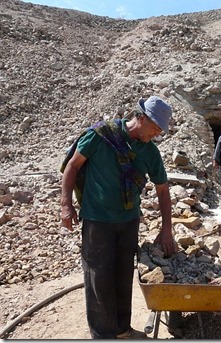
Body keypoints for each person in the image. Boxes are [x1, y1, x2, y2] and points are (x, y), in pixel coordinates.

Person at [60, 95, 178, 339]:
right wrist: (66, 205)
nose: (156, 134)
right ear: (142, 118)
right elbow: (72, 166)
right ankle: (103, 335)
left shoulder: (150, 152)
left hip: (128, 220)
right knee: (98, 277)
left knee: (123, 274)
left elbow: (163, 189)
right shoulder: (101, 135)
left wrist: (167, 228)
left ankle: (122, 330)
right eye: (155, 128)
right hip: (97, 219)